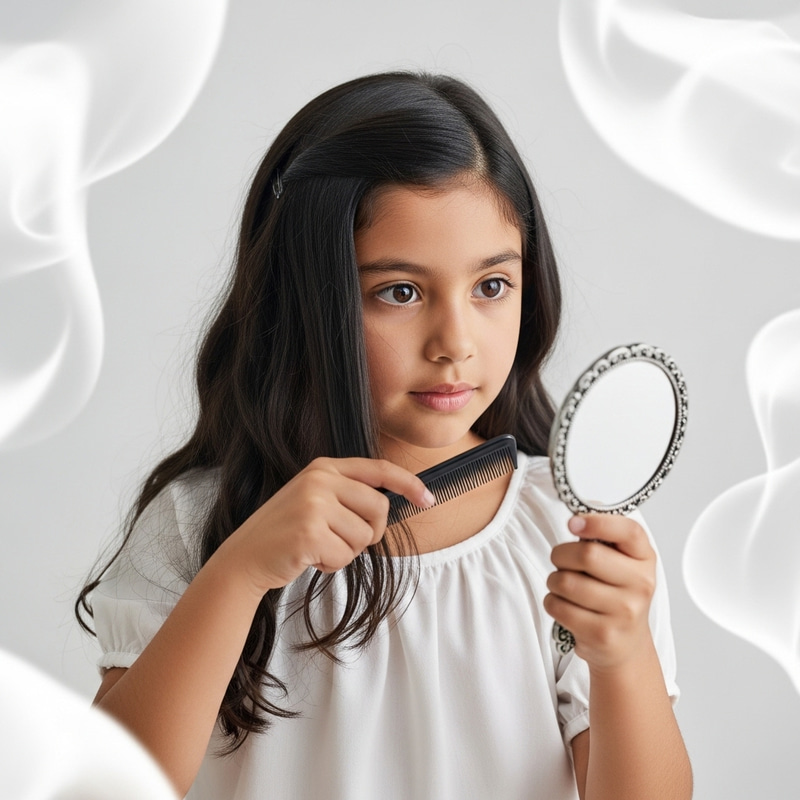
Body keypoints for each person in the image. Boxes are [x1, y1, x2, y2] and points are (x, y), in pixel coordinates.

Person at [77, 71, 692, 799]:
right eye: (399, 292)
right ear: (307, 299)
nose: (455, 341)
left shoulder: (570, 537)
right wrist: (238, 575)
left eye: (491, 286)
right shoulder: (202, 524)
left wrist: (622, 656)